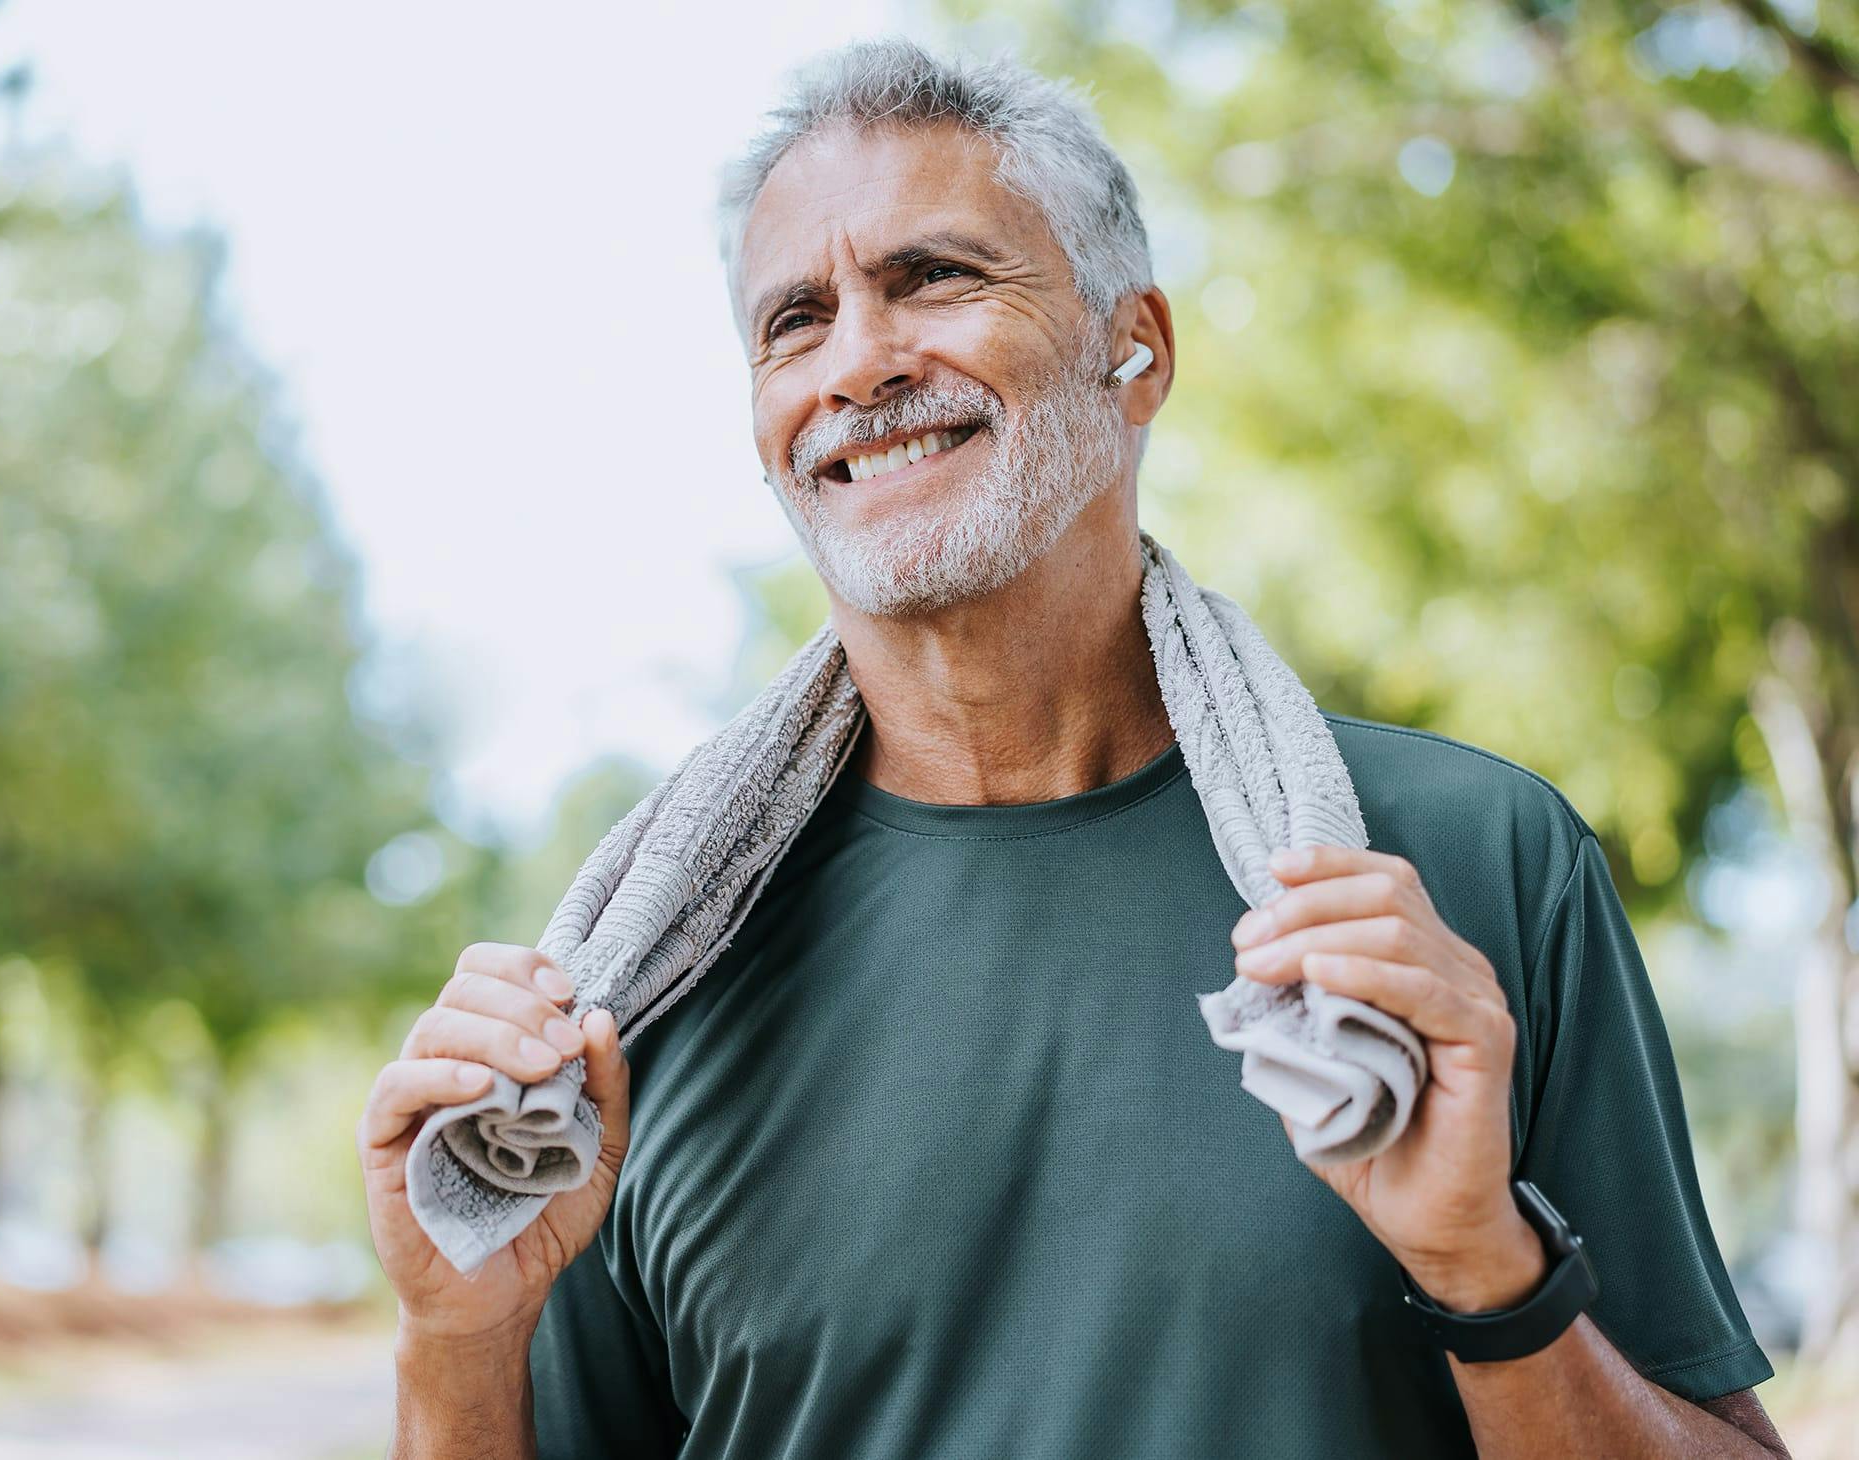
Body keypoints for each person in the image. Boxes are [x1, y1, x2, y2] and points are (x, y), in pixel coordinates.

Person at [358, 38, 1790, 1459]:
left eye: (933, 276)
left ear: (1139, 349)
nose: (859, 360)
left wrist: (1490, 1268)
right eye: (795, 319)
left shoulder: (1461, 871)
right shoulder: (632, 988)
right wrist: (458, 1342)